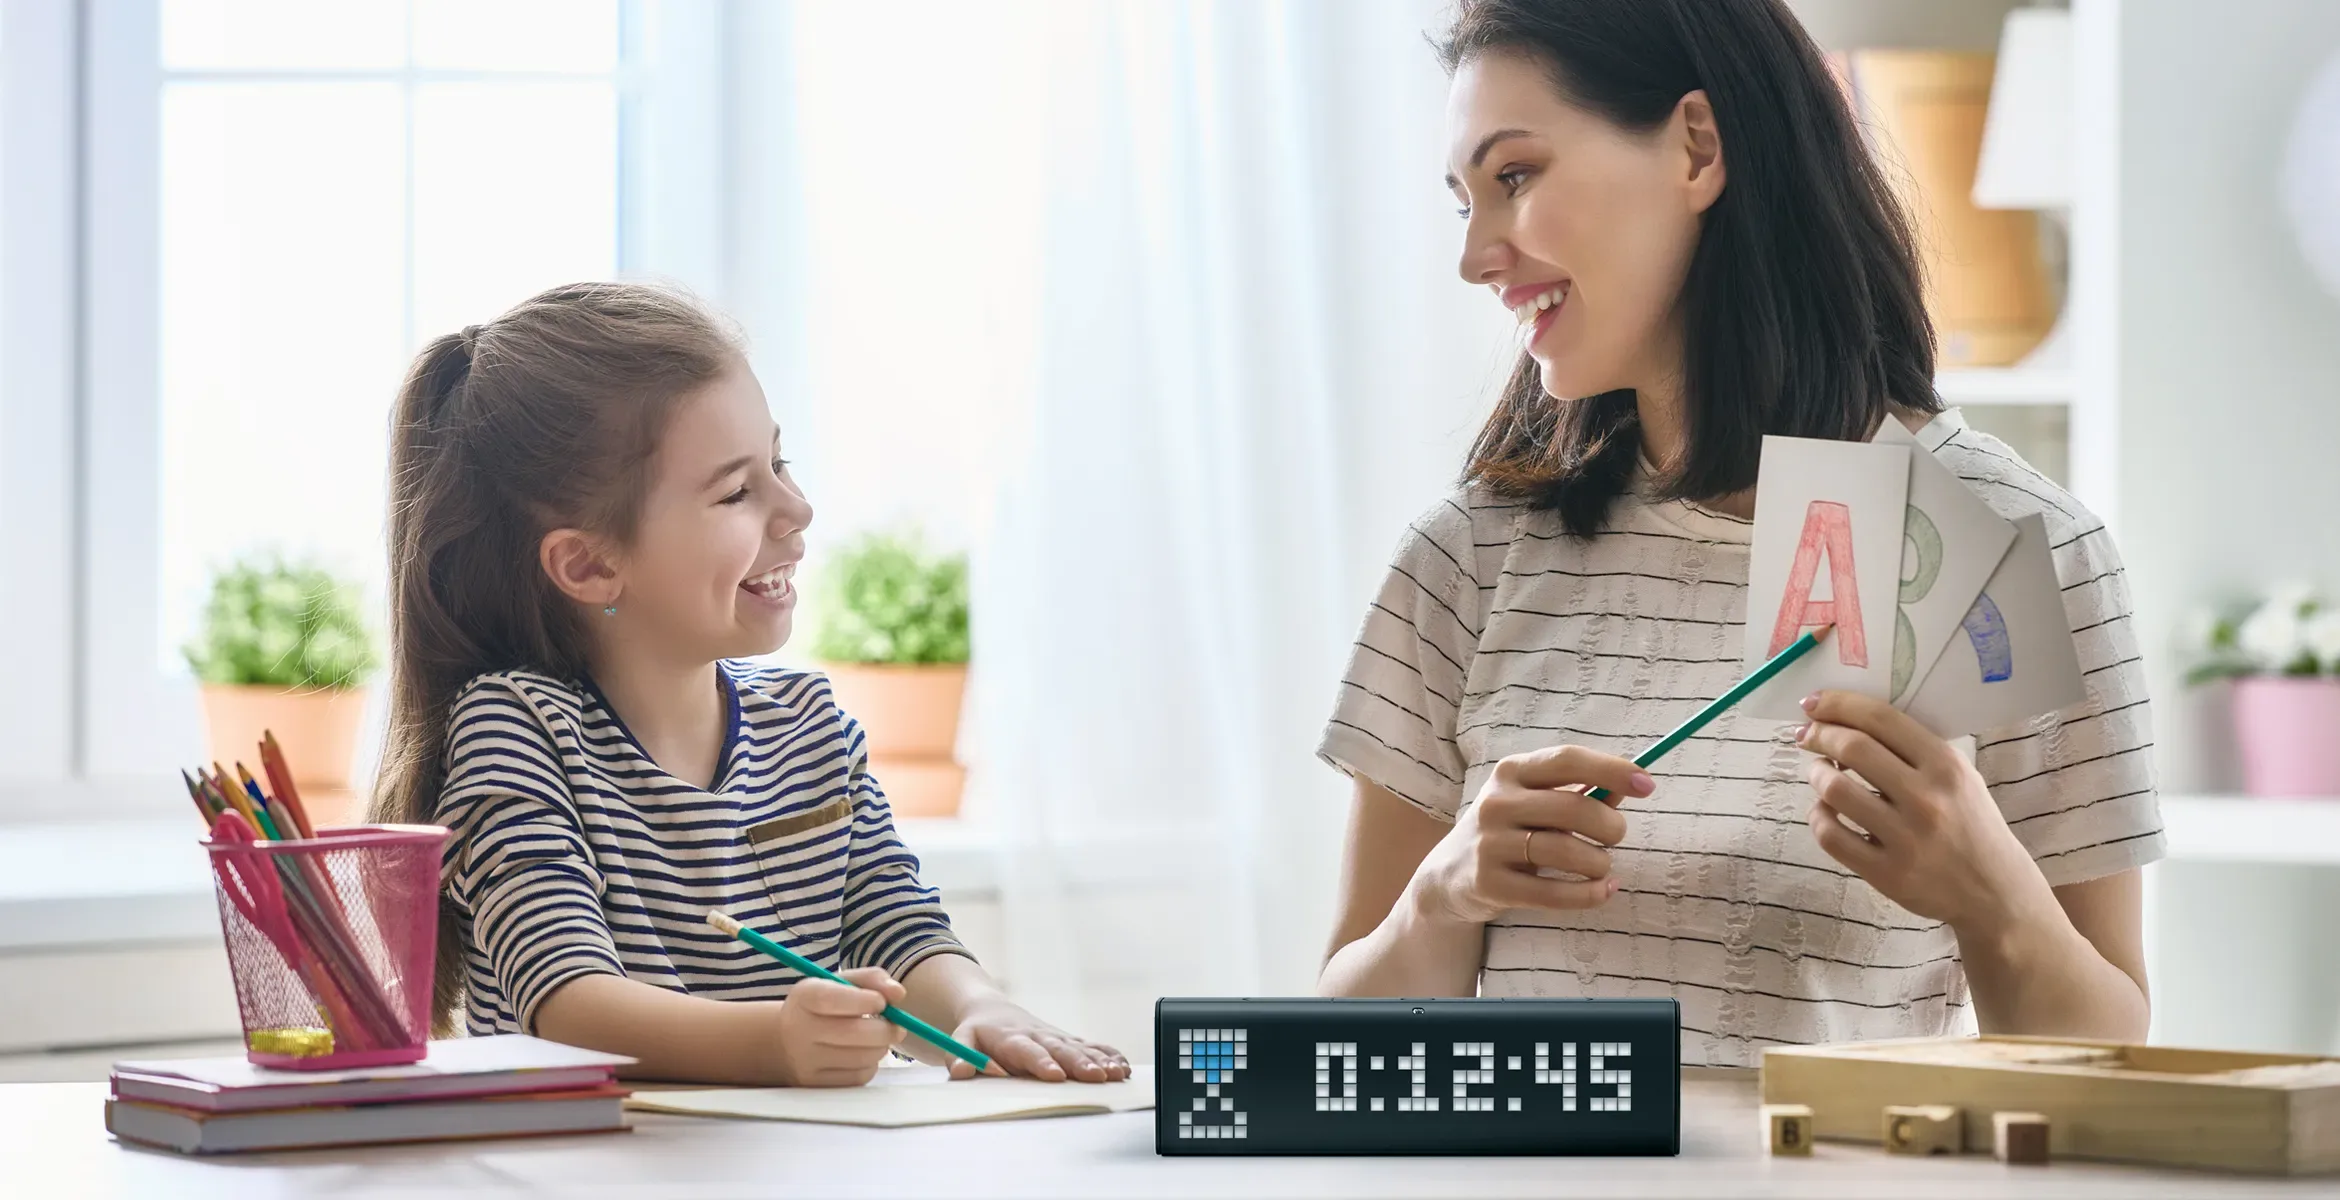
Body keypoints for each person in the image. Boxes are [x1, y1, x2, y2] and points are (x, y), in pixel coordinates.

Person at [1315, 0, 2160, 1067]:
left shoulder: (2019, 549)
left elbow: (2115, 1062)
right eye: (1464, 200)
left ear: (1697, 147)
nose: (1478, 255)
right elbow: (1335, 1052)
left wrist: (1992, 897)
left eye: (1516, 177)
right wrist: (1439, 901)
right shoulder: (1467, 557)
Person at [371, 281, 1126, 1086]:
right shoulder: (515, 729)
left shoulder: (809, 725)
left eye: (780, 462)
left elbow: (895, 924)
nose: (796, 507)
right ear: (589, 563)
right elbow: (567, 1000)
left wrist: (980, 1009)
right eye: (736, 491)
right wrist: (775, 1044)